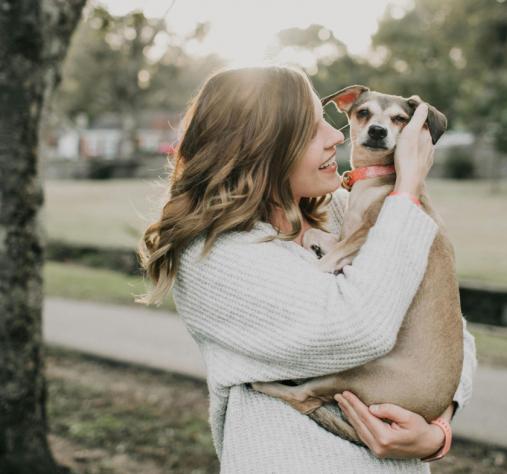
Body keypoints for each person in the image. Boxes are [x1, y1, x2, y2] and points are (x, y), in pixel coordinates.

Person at [136, 65, 477, 473]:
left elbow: (448, 329)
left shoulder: (339, 214)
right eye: (314, 128)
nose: (337, 135)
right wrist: (407, 188)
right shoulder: (215, 258)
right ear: (263, 147)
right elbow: (358, 327)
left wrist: (437, 430)